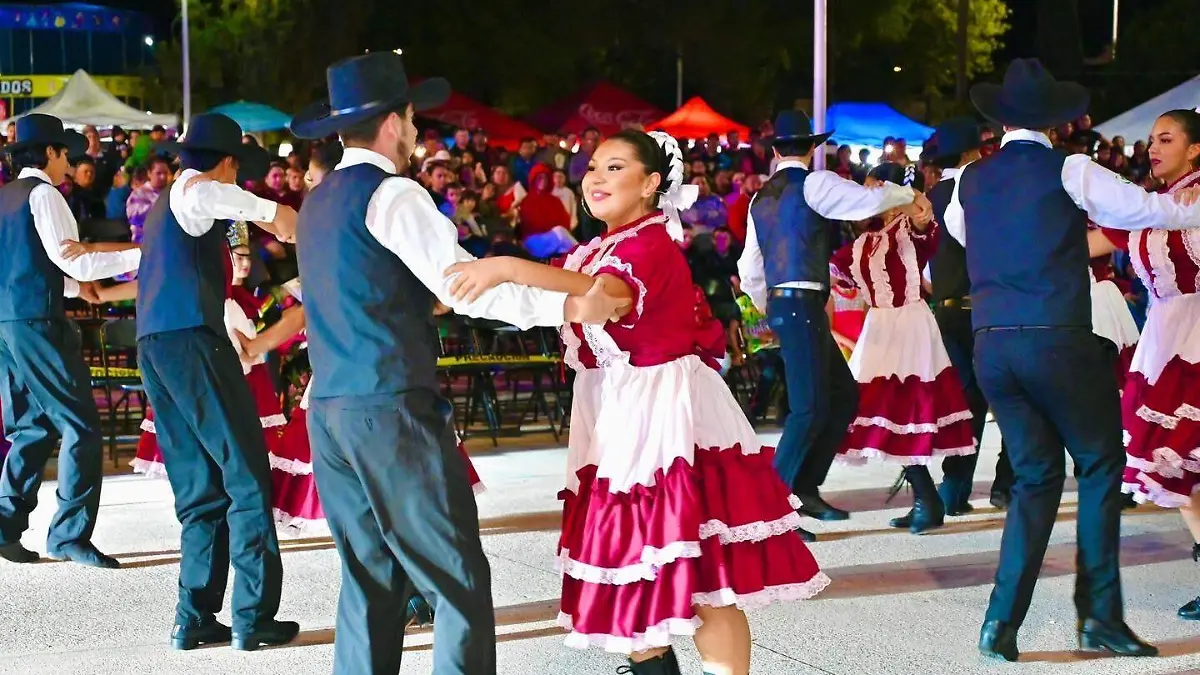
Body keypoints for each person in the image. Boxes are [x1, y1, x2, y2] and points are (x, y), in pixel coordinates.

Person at [287, 52, 626, 675]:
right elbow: (471, 285)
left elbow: (386, 287)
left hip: (329, 407)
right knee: (457, 580)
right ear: (395, 122)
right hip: (387, 408)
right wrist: (574, 305)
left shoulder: (319, 199)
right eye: (414, 120)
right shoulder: (392, 193)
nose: (418, 133)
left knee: (370, 581)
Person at [446, 128, 829, 675]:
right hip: (618, 413)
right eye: (594, 167)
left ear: (651, 184)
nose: (596, 178)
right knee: (629, 565)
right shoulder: (601, 246)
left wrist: (503, 266)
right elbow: (559, 299)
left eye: (615, 168)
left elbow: (596, 304)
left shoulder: (647, 246)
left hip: (661, 416)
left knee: (702, 580)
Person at [951, 59, 1200, 662]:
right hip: (1055, 338)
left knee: (1036, 478)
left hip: (993, 344)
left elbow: (964, 235)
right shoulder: (1070, 169)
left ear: (1002, 120)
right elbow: (1153, 211)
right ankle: (1099, 618)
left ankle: (999, 625)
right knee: (1097, 464)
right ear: (1055, 122)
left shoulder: (970, 181)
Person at [134, 113, 301, 652]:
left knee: (200, 486)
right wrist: (279, 213)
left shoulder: (168, 203)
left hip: (156, 347)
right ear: (226, 162)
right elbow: (233, 204)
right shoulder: (198, 192)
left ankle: (194, 616)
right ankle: (252, 616)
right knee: (247, 474)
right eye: (237, 168)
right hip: (192, 345)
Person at [736, 109, 931, 540]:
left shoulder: (760, 197)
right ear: (812, 147)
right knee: (808, 410)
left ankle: (804, 487)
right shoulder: (816, 183)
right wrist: (903, 192)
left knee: (841, 397)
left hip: (789, 304)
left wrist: (769, 304)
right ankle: (772, 510)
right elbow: (866, 202)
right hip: (802, 302)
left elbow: (749, 265)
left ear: (775, 149)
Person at [0, 114, 141, 567]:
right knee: (80, 424)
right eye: (65, 152)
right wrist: (144, 253)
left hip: (7, 321)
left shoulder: (6, 197)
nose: (70, 161)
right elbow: (75, 264)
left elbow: (33, 263)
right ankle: (68, 534)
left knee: (31, 426)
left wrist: (68, 286)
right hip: (37, 321)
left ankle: (4, 524)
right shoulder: (45, 195)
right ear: (48, 154)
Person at [1089, 108, 1200, 621]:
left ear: (1194, 147)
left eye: (1166, 138)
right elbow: (1089, 242)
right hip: (1165, 335)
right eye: (1152, 139)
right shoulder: (1151, 205)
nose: (1153, 147)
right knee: (1176, 465)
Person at [830, 163, 976, 535]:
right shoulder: (861, 242)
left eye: (872, 190)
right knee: (886, 415)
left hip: (907, 324)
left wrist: (906, 199)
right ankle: (926, 500)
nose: (865, 199)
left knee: (902, 411)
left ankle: (928, 500)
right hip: (879, 327)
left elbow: (925, 220)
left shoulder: (908, 228)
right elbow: (835, 269)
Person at [920, 117, 1014, 516]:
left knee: (963, 403)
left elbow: (923, 270)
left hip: (942, 311)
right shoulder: (975, 190)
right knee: (1012, 395)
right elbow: (985, 247)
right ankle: (1005, 486)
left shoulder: (927, 198)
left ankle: (954, 492)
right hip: (983, 309)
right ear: (972, 152)